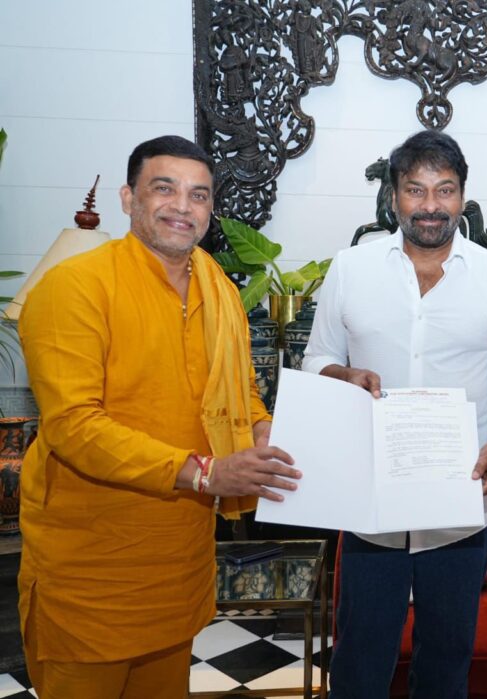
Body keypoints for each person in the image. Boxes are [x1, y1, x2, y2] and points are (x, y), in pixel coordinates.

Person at [17, 135, 301, 699]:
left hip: (179, 563)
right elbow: (74, 426)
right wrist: (206, 473)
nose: (182, 206)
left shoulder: (219, 287)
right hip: (93, 569)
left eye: (199, 194)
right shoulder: (74, 286)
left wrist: (261, 427)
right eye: (164, 188)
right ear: (129, 198)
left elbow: (239, 388)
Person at [302, 129, 487, 698]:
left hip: (462, 502)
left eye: (445, 190)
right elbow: (317, 358)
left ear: (463, 197)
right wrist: (343, 376)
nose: (430, 205)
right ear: (393, 196)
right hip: (372, 500)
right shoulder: (350, 268)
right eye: (415, 189)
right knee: (360, 661)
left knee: (445, 662)